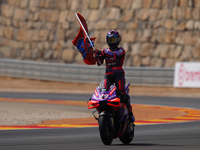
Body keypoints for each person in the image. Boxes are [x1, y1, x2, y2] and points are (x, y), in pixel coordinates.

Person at [93, 30, 135, 123]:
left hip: (118, 75)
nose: (112, 42)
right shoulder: (105, 51)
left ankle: (130, 114)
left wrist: (102, 53)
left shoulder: (121, 50)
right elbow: (100, 63)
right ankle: (104, 112)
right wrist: (97, 56)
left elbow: (114, 55)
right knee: (103, 94)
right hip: (108, 75)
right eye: (110, 40)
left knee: (123, 95)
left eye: (114, 40)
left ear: (118, 40)